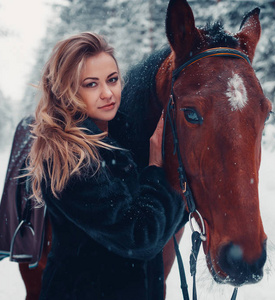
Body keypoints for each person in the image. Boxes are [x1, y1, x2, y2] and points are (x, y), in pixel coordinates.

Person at [25, 32, 185, 300]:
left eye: (112, 79)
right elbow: (139, 238)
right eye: (91, 84)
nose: (107, 93)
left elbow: (162, 221)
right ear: (68, 90)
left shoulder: (123, 137)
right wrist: (158, 171)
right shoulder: (68, 157)